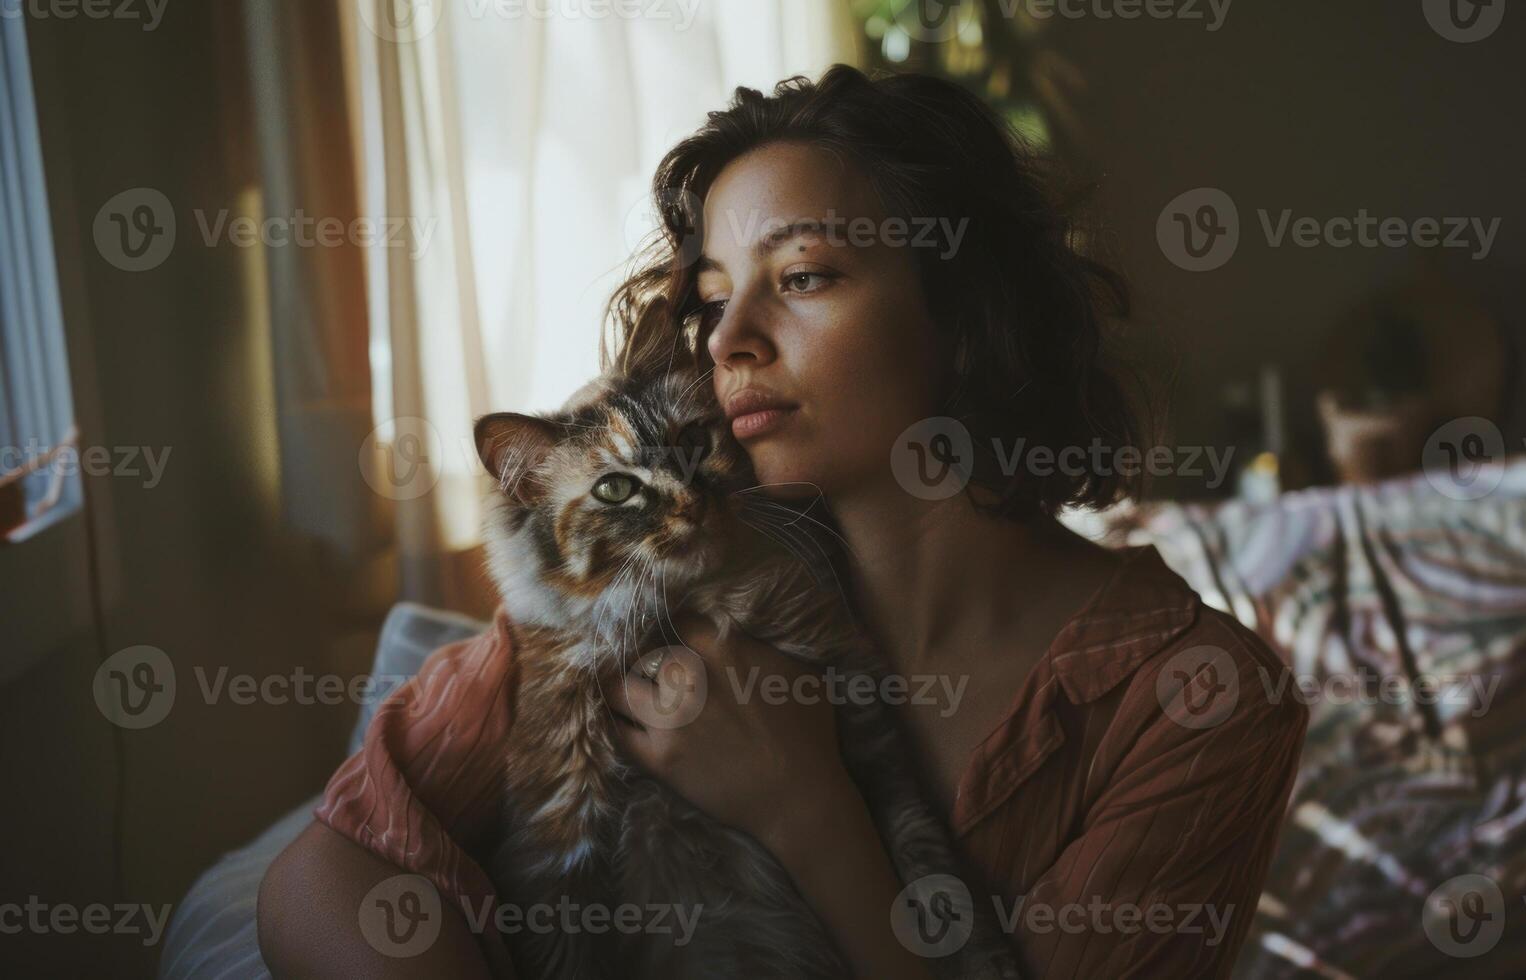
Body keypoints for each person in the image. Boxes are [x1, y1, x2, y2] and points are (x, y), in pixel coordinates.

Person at [258, 64, 1307, 979]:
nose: (730, 341)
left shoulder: (1196, 704)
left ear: (964, 305)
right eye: (711, 299)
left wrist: (812, 811)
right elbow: (322, 870)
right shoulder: (662, 576)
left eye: (802, 277)